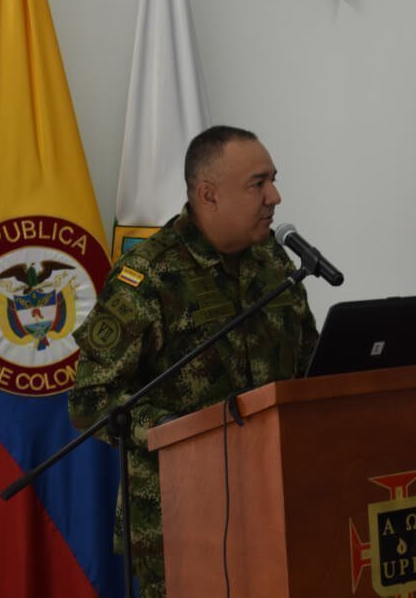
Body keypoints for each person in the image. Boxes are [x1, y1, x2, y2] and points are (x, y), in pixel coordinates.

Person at [69, 125, 318, 597]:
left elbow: (309, 363)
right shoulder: (148, 278)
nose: (275, 197)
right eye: (258, 183)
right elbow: (90, 401)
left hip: (277, 501)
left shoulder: (275, 263)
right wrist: (190, 431)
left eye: (273, 180)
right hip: (182, 520)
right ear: (209, 194)